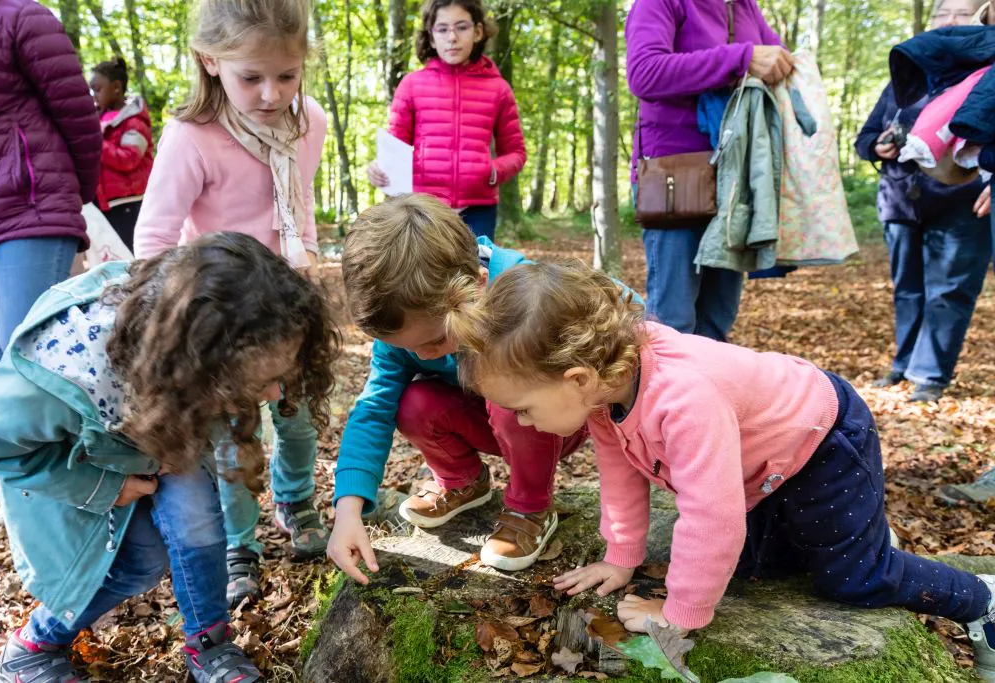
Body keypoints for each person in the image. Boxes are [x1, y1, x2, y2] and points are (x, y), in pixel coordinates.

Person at [449, 259, 995, 682]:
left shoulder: (685, 399)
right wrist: (621, 557)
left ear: (575, 376)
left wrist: (680, 613)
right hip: (761, 466)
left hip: (821, 441)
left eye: (522, 407)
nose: (518, 421)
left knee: (852, 578)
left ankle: (980, 599)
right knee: (759, 567)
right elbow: (620, 474)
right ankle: (853, 531)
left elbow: (713, 517)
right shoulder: (601, 394)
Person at [0, 232, 340, 683]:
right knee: (141, 559)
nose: (273, 395)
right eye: (257, 381)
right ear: (197, 361)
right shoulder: (61, 372)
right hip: (74, 468)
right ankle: (32, 646)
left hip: (162, 429)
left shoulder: (194, 331)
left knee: (198, 523)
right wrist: (106, 485)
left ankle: (209, 642)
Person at [133, 0, 329, 608]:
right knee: (231, 440)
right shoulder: (191, 138)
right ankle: (239, 541)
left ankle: (295, 499)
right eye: (252, 77)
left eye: (287, 76)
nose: (272, 94)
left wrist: (313, 271)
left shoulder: (308, 122)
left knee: (297, 423)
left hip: (290, 314)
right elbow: (155, 239)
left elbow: (300, 207)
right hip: (222, 326)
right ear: (210, 61)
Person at [327, 194, 632, 581]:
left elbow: (620, 305)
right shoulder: (410, 331)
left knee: (511, 395)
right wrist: (348, 511)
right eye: (408, 347)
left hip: (552, 422)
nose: (423, 354)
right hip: (485, 419)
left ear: (476, 286)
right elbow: (373, 411)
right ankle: (463, 482)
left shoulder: (524, 291)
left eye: (436, 341)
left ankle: (531, 507)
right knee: (413, 402)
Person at [625, 0, 793, 341]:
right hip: (675, 177)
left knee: (717, 321)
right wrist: (741, 59)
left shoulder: (746, 7)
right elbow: (644, 73)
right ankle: (661, 395)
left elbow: (778, 60)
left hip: (735, 179)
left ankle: (706, 394)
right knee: (672, 323)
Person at [855, 0, 992, 403]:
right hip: (901, 202)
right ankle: (904, 364)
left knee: (949, 290)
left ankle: (930, 375)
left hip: (961, 201)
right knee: (907, 288)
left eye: (959, 14)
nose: (948, 21)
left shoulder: (982, 76)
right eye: (940, 15)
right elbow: (864, 137)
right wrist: (876, 148)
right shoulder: (910, 73)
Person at [0, 0, 102, 364]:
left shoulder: (22, 18)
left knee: (25, 353)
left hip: (29, 207)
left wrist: (78, 193)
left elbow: (79, 119)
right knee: (2, 357)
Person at [365, 0, 526, 241]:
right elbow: (394, 151)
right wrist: (378, 170)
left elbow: (516, 152)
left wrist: (493, 171)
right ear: (431, 37)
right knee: (425, 278)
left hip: (479, 209)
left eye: (461, 27)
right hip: (423, 208)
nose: (452, 37)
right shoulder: (411, 85)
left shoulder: (499, 89)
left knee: (474, 276)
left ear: (478, 32)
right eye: (442, 29)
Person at [89, 56, 154, 252]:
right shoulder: (97, 118)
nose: (93, 95)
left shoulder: (134, 121)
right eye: (91, 90)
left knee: (131, 253)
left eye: (97, 89)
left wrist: (96, 141)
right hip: (105, 203)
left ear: (116, 88)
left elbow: (129, 158)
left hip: (129, 203)